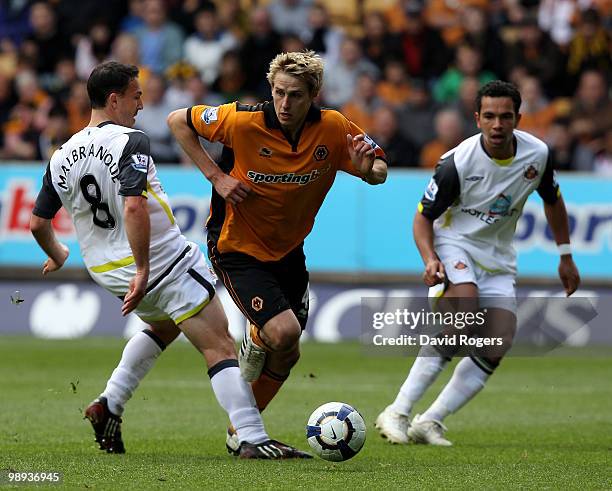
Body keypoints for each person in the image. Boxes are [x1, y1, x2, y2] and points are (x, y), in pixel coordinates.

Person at [29, 61, 310, 459]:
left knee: (164, 326)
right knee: (220, 346)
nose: (141, 104)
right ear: (115, 99)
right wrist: (144, 270)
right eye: (135, 95)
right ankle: (250, 435)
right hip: (159, 262)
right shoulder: (130, 141)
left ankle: (109, 402)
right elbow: (133, 209)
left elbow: (39, 222)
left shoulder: (62, 156)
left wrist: (57, 254)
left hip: (107, 272)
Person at [167, 50, 388, 454]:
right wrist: (216, 176)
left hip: (289, 250)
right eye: (279, 93)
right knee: (282, 331)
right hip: (236, 245)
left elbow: (379, 171)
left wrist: (368, 170)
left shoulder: (335, 127)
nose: (285, 104)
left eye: (296, 96)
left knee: (289, 350)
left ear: (314, 94)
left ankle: (241, 432)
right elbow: (177, 120)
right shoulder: (241, 120)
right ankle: (252, 414)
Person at [375, 80, 580, 446]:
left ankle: (430, 420)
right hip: (455, 244)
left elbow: (553, 200)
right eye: (489, 116)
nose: (497, 124)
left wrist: (565, 255)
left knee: (497, 341)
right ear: (477, 118)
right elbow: (422, 218)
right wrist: (430, 259)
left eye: (505, 116)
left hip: (498, 257)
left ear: (519, 117)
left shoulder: (538, 155)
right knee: (465, 316)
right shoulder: (456, 163)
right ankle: (397, 411)